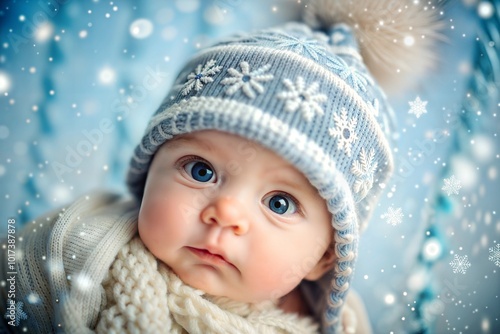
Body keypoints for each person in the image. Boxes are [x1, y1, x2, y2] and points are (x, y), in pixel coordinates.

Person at [1, 0, 442, 332]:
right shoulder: (77, 248)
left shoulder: (339, 324)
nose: (225, 213)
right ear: (148, 170)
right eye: (201, 171)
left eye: (280, 203)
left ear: (325, 257)